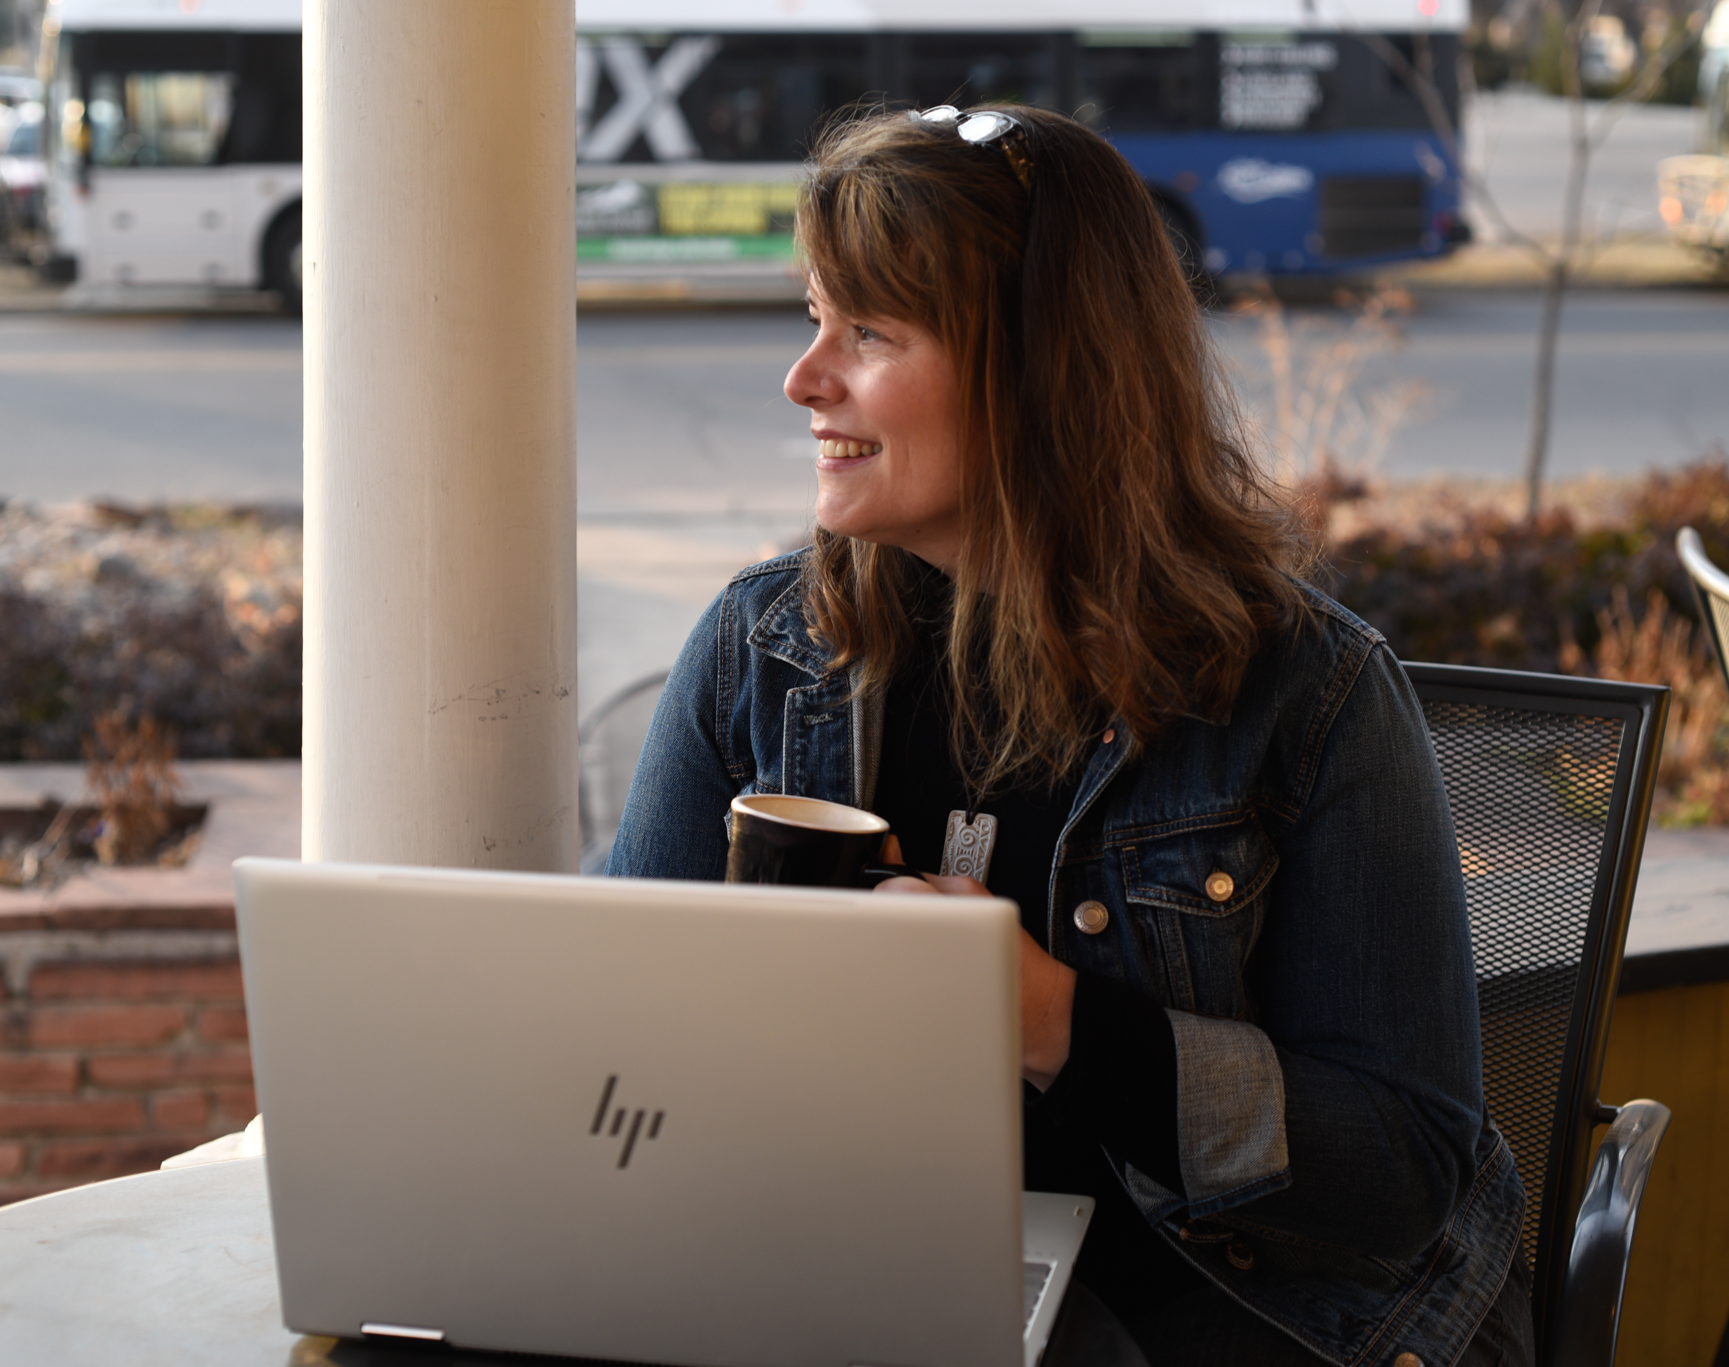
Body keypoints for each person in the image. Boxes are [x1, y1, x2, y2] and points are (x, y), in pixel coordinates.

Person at [607, 104, 1533, 1367]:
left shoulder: (1307, 694)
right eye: (811, 316)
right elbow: (614, 1035)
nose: (804, 377)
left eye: (869, 330)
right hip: (855, 1271)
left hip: (1224, 1309)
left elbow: (1396, 1171)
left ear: (1044, 366)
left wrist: (1043, 1016)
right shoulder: (761, 651)